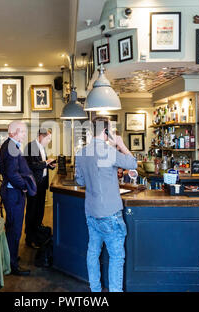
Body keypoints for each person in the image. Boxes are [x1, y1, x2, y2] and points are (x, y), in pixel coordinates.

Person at [75, 117, 137, 292]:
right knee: (117, 257)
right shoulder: (109, 151)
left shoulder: (81, 153)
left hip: (91, 211)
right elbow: (132, 163)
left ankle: (95, 291)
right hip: (110, 213)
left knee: (93, 253)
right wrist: (121, 144)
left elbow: (79, 181)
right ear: (106, 131)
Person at [0, 121, 34, 276]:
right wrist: (24, 186)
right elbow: (12, 174)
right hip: (13, 194)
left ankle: (9, 257)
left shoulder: (8, 145)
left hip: (11, 193)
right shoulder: (12, 147)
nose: (24, 134)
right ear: (13, 133)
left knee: (12, 228)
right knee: (15, 230)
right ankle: (12, 265)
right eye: (22, 131)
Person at [24, 128, 55, 248]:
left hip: (42, 184)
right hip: (34, 185)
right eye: (48, 138)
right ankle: (29, 238)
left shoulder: (42, 147)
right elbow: (30, 166)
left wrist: (49, 165)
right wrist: (45, 163)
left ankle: (37, 235)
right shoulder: (30, 147)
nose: (48, 141)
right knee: (32, 211)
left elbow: (41, 164)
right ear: (41, 136)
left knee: (40, 211)